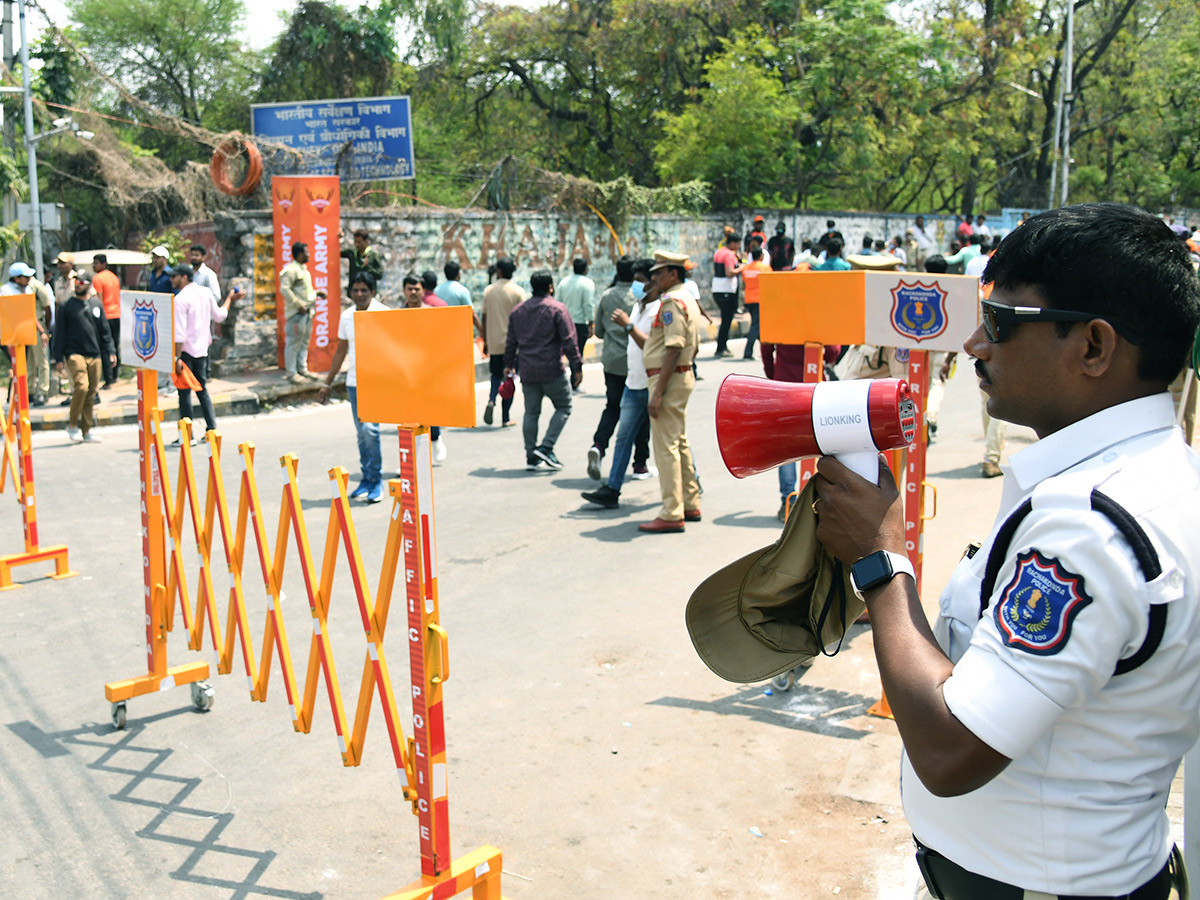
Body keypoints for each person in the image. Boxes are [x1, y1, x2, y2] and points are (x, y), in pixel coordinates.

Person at [812, 203, 1200, 900]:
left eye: (1001, 324)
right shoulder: (1163, 474)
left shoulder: (1090, 528)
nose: (974, 347)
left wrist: (881, 559)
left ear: (1093, 347)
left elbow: (950, 749)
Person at [581, 261, 659, 509]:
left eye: (641, 280)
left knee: (671, 439)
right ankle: (613, 488)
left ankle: (693, 484)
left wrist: (627, 325)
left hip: (647, 381)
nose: (636, 285)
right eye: (634, 279)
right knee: (625, 436)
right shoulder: (637, 306)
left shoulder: (660, 310)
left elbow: (651, 346)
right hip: (631, 381)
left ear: (653, 283)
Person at [638, 251, 702, 533]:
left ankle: (672, 511)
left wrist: (658, 392)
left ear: (673, 273)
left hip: (669, 378)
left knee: (666, 448)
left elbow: (674, 346)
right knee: (679, 442)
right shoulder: (687, 298)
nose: (654, 277)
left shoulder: (672, 302)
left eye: (659, 272)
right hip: (681, 375)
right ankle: (689, 501)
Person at [319, 272, 388, 503]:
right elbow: (341, 351)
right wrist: (327, 383)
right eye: (355, 290)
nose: (359, 295)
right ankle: (366, 479)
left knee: (371, 431)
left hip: (377, 383)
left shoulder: (383, 314)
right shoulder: (346, 316)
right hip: (354, 383)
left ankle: (377, 480)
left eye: (364, 291)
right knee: (361, 434)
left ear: (373, 292)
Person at [504, 270, 582, 471]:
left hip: (528, 371)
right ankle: (546, 447)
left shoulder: (518, 311)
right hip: (552, 370)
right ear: (550, 287)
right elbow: (569, 341)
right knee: (564, 407)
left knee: (531, 413)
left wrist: (508, 365)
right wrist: (577, 366)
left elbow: (511, 342)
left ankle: (531, 456)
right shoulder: (557, 309)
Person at [170, 263, 236, 441]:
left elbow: (179, 334)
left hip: (185, 353)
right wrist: (230, 298)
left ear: (184, 277)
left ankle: (187, 435)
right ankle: (211, 429)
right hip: (202, 351)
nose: (171, 280)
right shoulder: (205, 293)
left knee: (184, 393)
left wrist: (176, 358)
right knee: (202, 391)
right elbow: (221, 315)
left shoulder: (180, 299)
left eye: (174, 276)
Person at [587, 256, 637, 480]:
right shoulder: (641, 296)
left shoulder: (607, 296)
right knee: (639, 412)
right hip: (635, 362)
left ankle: (599, 445)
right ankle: (641, 463)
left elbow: (598, 331)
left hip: (612, 361)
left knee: (613, 407)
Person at [51, 271, 114, 442]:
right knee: (81, 387)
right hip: (74, 353)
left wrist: (111, 352)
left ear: (89, 284)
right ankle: (72, 425)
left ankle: (86, 430)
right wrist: (58, 358)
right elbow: (60, 334)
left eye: (82, 282)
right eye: (76, 281)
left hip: (95, 354)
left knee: (92, 392)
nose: (79, 284)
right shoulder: (66, 306)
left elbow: (104, 331)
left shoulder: (96, 304)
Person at [761, 336, 809, 521]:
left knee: (788, 447)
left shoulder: (781, 310)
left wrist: (773, 375)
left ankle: (789, 502)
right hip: (813, 387)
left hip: (784, 387)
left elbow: (766, 345)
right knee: (819, 444)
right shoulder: (819, 310)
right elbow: (833, 351)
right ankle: (817, 501)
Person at [402, 274, 448, 460]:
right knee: (408, 416)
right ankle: (410, 460)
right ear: (404, 291)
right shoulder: (396, 315)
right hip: (406, 372)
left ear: (423, 290)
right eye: (409, 288)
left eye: (417, 288)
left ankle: (436, 439)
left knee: (429, 412)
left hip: (429, 371)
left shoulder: (432, 312)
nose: (413, 292)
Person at [481, 257, 527, 427]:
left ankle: (492, 399)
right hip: (512, 344)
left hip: (494, 342)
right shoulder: (518, 292)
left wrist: (485, 340)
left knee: (495, 375)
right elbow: (523, 319)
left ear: (498, 271)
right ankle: (505, 417)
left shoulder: (489, 291)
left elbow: (484, 317)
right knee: (509, 379)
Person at [0, 262, 53, 406]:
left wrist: (42, 331)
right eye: (26, 276)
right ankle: (18, 398)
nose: (29, 278)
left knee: (32, 362)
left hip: (27, 331)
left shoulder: (28, 289)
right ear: (17, 278)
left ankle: (33, 394)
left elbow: (30, 313)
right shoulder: (6, 291)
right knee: (17, 366)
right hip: (11, 336)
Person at [278, 241, 325, 383]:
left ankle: (302, 369)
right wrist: (298, 305)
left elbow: (304, 291)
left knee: (304, 342)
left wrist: (317, 293)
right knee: (293, 343)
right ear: (299, 254)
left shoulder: (303, 270)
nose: (309, 254)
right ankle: (292, 374)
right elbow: (284, 289)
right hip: (297, 314)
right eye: (307, 252)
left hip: (307, 312)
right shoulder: (291, 270)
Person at [556, 257, 596, 380]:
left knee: (567, 351)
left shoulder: (563, 283)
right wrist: (591, 323)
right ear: (585, 269)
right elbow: (588, 305)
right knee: (577, 352)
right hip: (579, 324)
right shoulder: (587, 283)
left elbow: (558, 303)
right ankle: (575, 379)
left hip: (564, 322)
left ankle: (571, 378)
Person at [90, 253, 122, 387]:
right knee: (115, 345)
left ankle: (108, 379)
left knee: (105, 347)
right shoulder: (114, 277)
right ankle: (115, 376)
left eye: (96, 263)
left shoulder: (97, 279)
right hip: (117, 315)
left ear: (103, 264)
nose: (94, 265)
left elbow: (99, 299)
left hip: (106, 316)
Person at [711, 231, 744, 358]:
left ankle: (722, 346)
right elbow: (729, 272)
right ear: (734, 243)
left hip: (718, 289)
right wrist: (742, 267)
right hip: (727, 290)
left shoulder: (719, 252)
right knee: (726, 319)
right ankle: (721, 348)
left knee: (725, 319)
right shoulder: (729, 255)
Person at [434, 260, 482, 334]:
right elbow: (472, 313)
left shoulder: (436, 290)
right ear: (458, 274)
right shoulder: (462, 290)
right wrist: (481, 332)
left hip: (440, 330)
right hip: (458, 332)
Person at [740, 247, 772, 360]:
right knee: (756, 325)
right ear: (761, 256)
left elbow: (744, 283)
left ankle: (765, 348)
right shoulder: (765, 268)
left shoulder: (746, 268)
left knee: (757, 325)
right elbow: (771, 284)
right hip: (760, 299)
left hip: (749, 299)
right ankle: (748, 351)